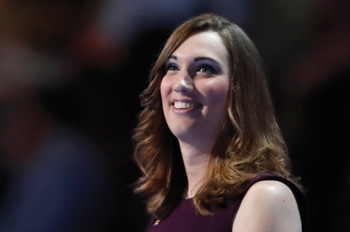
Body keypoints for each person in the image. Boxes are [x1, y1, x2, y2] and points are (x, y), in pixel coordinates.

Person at [132, 13, 305, 232]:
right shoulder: (167, 205)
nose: (181, 83)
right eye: (172, 67)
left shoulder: (263, 197)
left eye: (205, 68)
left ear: (240, 92)